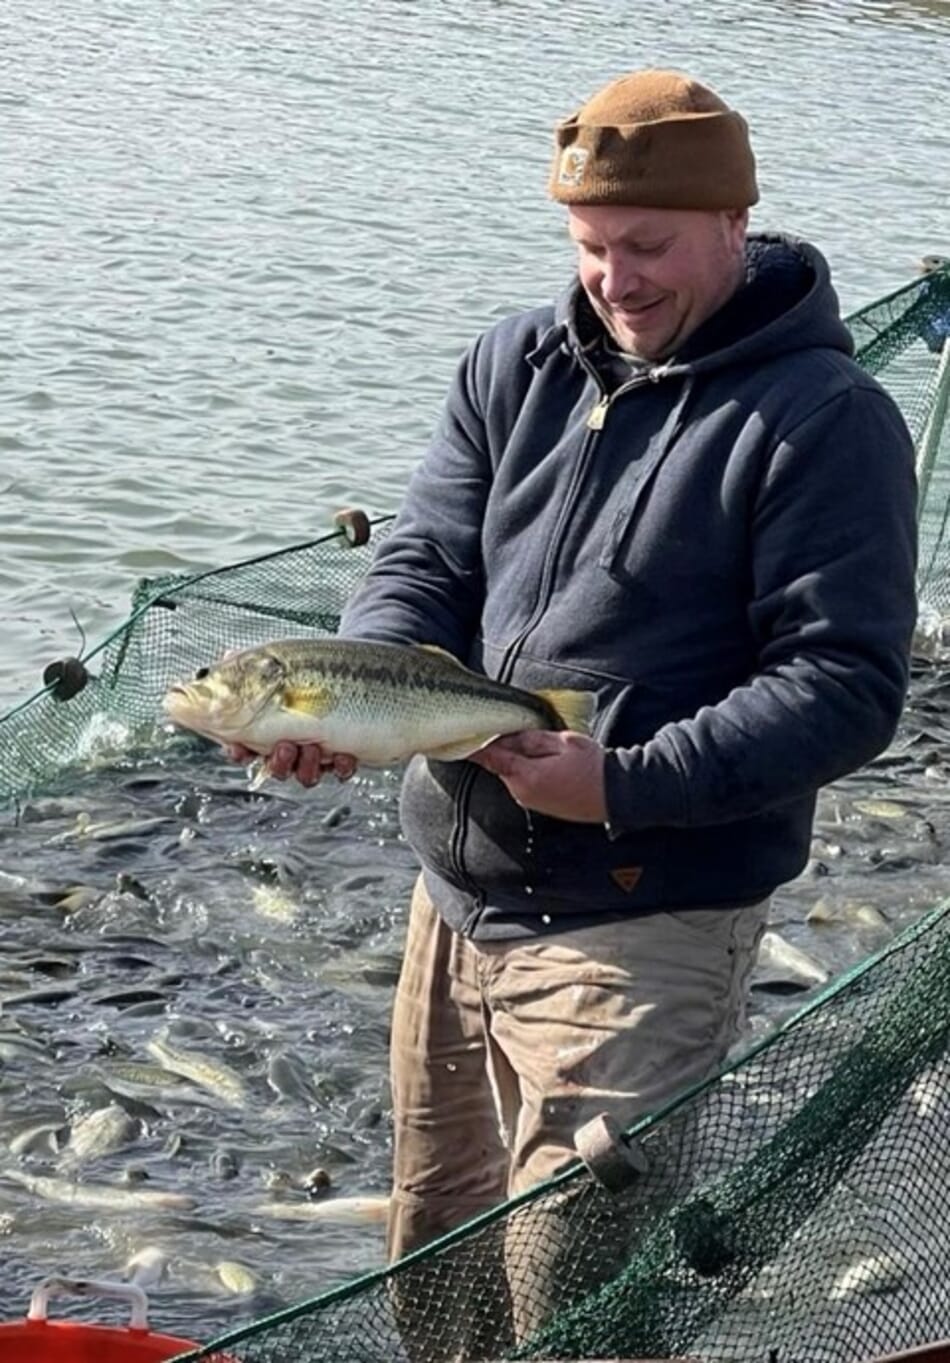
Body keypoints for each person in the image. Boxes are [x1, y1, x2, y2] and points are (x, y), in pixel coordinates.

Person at [235, 66, 918, 1340]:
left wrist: (618, 782)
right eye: (593, 246)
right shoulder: (516, 360)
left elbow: (844, 686)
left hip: (638, 923)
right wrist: (350, 694)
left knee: (578, 1286)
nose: (617, 279)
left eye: (648, 246)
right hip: (457, 896)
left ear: (733, 222)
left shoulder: (825, 421)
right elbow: (426, 558)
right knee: (435, 1247)